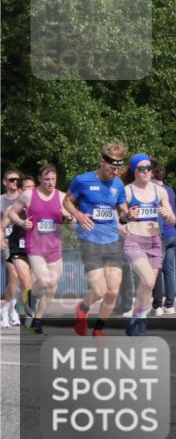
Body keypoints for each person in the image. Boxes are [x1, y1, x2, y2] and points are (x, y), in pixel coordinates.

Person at [64, 142, 130, 337]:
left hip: (112, 241)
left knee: (113, 292)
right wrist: (78, 215)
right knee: (100, 290)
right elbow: (66, 201)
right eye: (111, 168)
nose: (115, 173)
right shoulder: (82, 181)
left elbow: (121, 210)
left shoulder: (118, 184)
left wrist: (129, 215)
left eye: (118, 169)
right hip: (90, 240)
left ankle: (99, 328)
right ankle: (82, 308)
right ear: (102, 162)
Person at [3, 166, 71, 333]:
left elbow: (73, 216)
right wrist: (21, 222)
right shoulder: (28, 195)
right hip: (35, 246)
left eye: (53, 179)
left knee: (53, 286)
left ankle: (37, 320)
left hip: (54, 246)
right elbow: (11, 213)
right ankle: (30, 297)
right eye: (47, 179)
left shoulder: (62, 196)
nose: (50, 183)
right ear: (40, 179)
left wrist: (71, 217)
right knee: (45, 281)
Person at [122, 154, 176, 336]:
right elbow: (117, 218)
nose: (146, 172)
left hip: (155, 241)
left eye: (149, 169)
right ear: (134, 170)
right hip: (134, 240)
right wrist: (127, 216)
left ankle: (136, 319)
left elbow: (173, 220)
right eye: (141, 168)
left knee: (148, 284)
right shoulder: (127, 191)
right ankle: (140, 320)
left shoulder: (160, 191)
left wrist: (168, 216)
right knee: (147, 279)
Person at [2, 170, 30, 327]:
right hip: (7, 243)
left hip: (26, 245)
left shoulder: (33, 205)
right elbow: (1, 227)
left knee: (27, 281)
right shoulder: (4, 203)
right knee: (14, 275)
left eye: (16, 180)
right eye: (11, 180)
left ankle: (10, 308)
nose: (14, 182)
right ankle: (8, 312)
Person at [151, 162, 176, 316]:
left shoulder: (154, 191)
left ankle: (157, 306)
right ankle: (170, 304)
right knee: (169, 271)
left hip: (160, 235)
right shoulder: (170, 190)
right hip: (172, 233)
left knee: (156, 269)